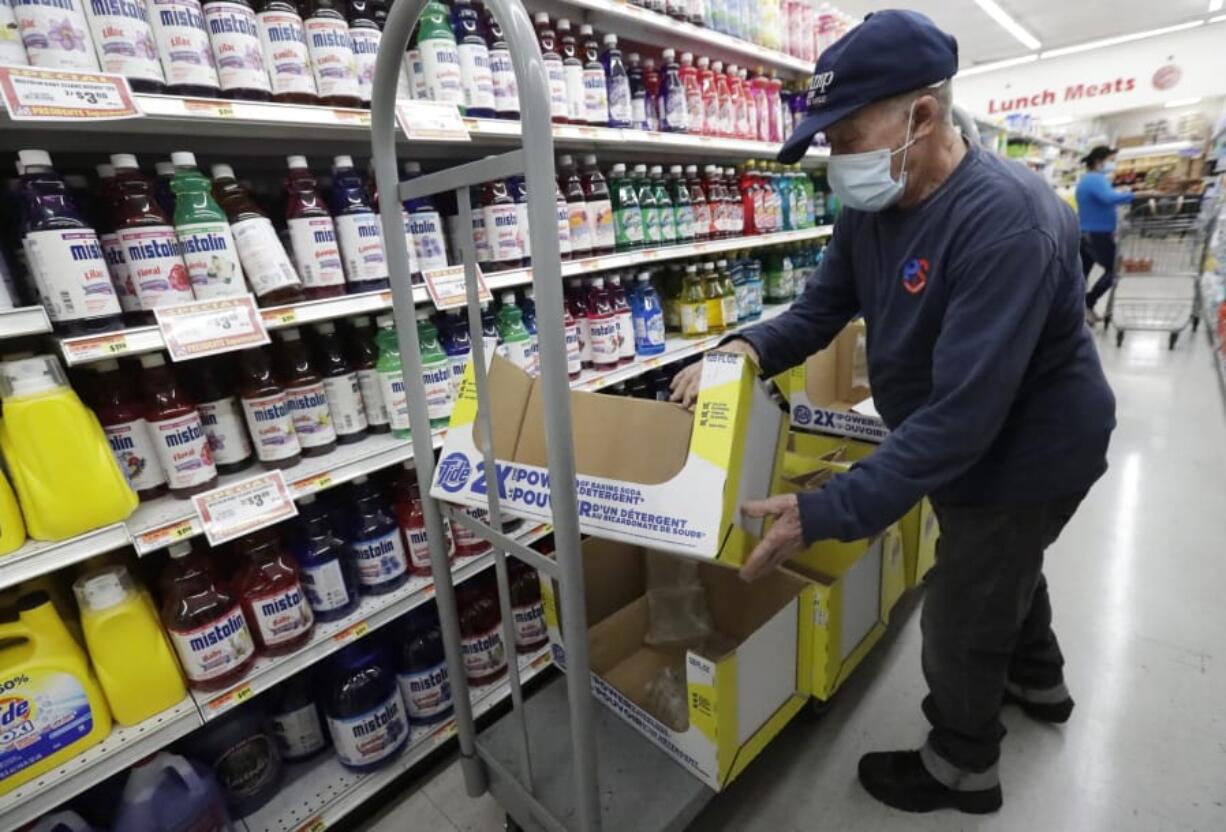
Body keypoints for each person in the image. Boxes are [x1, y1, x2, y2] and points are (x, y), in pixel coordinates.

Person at [670, 9, 1116, 817]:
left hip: (1030, 451)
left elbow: (962, 421)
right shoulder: (875, 205)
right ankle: (1038, 679)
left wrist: (824, 511)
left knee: (962, 608)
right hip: (966, 440)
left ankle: (962, 763)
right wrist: (743, 349)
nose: (835, 158)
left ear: (922, 115)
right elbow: (819, 312)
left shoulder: (1003, 221)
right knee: (1002, 571)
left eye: (846, 135)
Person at [1075, 145, 1133, 323]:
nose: (1113, 164)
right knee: (1114, 269)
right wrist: (1133, 195)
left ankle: (1077, 310)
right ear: (1100, 161)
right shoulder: (1096, 179)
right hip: (1097, 233)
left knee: (1081, 273)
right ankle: (1089, 301)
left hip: (1086, 232)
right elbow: (1108, 198)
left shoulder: (1087, 179)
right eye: (1111, 160)